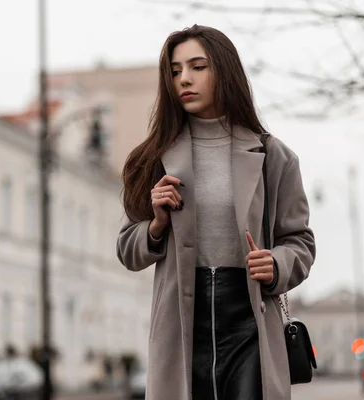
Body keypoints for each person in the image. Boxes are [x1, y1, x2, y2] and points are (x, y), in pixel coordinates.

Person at [116, 24, 316, 400]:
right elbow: (127, 248)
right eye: (175, 71)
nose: (184, 79)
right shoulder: (151, 160)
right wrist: (156, 225)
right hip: (181, 326)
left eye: (197, 66)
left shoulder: (273, 156)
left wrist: (277, 264)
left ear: (224, 70)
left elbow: (300, 241)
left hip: (250, 324)